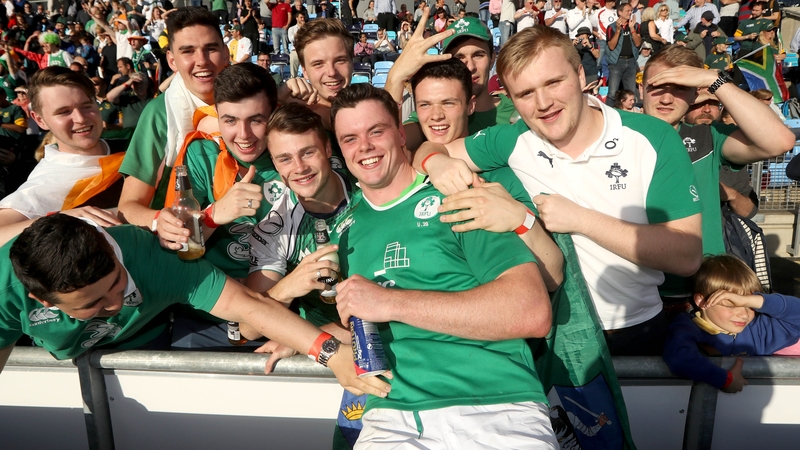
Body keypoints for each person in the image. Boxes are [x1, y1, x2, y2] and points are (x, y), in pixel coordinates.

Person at [413, 25, 704, 356]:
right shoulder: (514, 139)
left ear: (580, 75)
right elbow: (433, 149)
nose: (543, 103)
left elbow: (687, 256)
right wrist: (435, 163)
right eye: (525, 94)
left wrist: (580, 219)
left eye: (553, 83)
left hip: (636, 329)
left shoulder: (651, 138)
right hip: (552, 334)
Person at [330, 82, 559, 449]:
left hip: (496, 405)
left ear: (401, 134)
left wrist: (390, 303)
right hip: (392, 416)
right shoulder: (343, 229)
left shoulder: (457, 195)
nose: (365, 147)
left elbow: (531, 311)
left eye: (376, 131)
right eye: (350, 138)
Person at [0, 213, 393, 406]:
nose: (116, 303)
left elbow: (249, 304)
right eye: (94, 304)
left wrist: (329, 353)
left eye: (118, 283)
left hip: (155, 340)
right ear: (42, 300)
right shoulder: (5, 286)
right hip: (68, 362)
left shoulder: (150, 256)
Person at [642, 45, 794, 302]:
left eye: (680, 87)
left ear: (693, 94)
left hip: (705, 291)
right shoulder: (616, 133)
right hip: (636, 292)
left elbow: (779, 141)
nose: (666, 99)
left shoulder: (707, 136)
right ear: (641, 89)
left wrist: (714, 80)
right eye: (658, 86)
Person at [116, 8, 231, 239]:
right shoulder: (160, 114)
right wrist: (160, 221)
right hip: (187, 247)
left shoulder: (255, 99)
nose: (202, 61)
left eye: (211, 49)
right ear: (172, 60)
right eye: (188, 51)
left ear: (226, 52)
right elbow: (127, 208)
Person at [663, 255, 800, 393]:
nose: (744, 314)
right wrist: (725, 379)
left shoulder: (757, 330)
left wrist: (756, 301)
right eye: (731, 305)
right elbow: (679, 357)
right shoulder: (687, 328)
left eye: (749, 306)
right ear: (701, 301)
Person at [388, 16, 519, 151]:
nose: (470, 67)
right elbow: (391, 145)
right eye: (459, 57)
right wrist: (395, 78)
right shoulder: (431, 116)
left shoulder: (517, 112)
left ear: (492, 59)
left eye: (478, 55)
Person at [606, 1, 641, 106]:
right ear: (620, 12)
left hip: (631, 61)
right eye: (627, 11)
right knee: (612, 92)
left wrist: (632, 29)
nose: (630, 13)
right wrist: (618, 30)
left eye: (631, 11)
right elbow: (611, 46)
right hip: (617, 62)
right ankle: (608, 113)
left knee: (631, 92)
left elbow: (638, 43)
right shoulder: (611, 27)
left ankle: (632, 115)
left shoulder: (635, 26)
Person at [288, 13, 306, 77]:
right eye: (301, 17)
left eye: (303, 17)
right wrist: (299, 30)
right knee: (293, 73)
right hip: (295, 51)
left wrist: (304, 28)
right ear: (297, 18)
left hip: (304, 51)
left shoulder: (307, 28)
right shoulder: (291, 29)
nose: (303, 19)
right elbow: (291, 39)